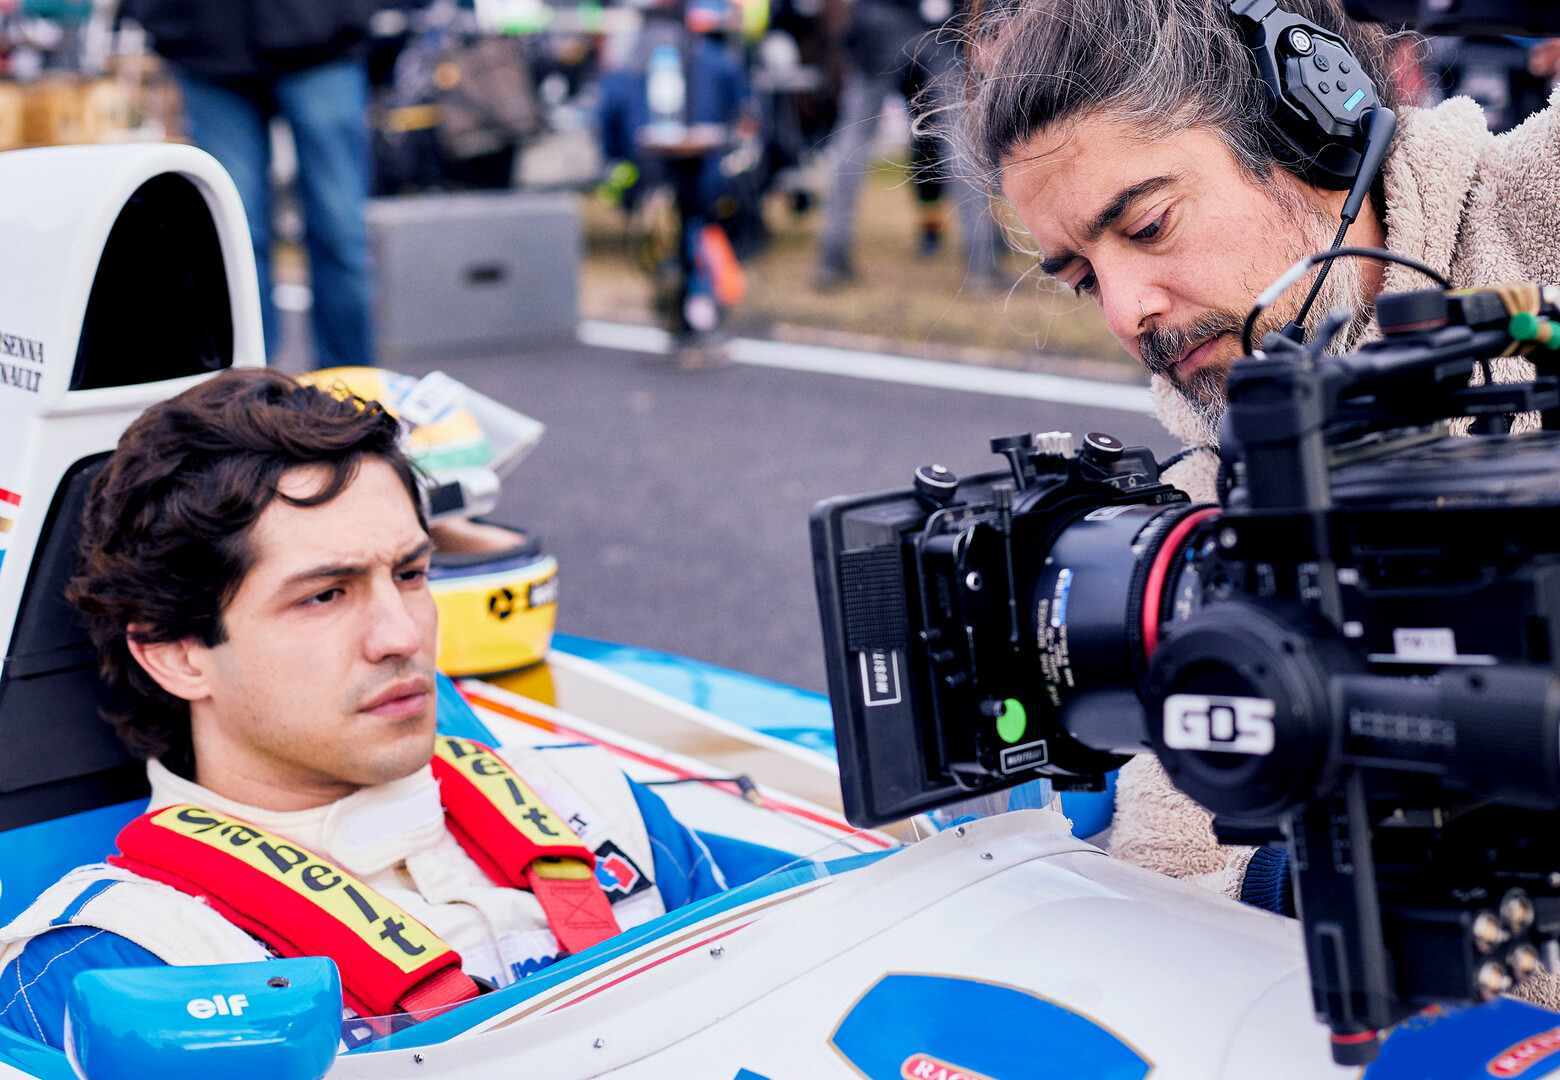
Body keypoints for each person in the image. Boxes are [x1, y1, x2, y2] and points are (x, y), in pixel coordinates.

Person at [961, 0, 1560, 913]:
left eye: (1149, 226)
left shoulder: (1540, 203)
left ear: (1311, 130)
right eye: (1084, 280)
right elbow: (1171, 878)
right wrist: (1324, 887)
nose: (1125, 312)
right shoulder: (1202, 526)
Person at [0, 369, 735, 1048]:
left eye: (410, 574)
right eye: (325, 595)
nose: (403, 636)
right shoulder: (112, 964)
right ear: (176, 652)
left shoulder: (601, 801)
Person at [119, 0, 378, 370]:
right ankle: (249, 391)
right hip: (208, 46)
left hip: (323, 41)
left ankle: (349, 389)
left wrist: (351, 12)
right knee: (233, 239)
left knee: (340, 234)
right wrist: (163, 19)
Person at [812, 0, 1004, 291]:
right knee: (961, 140)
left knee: (852, 140)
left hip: (881, 24)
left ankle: (831, 259)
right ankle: (982, 267)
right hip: (937, 26)